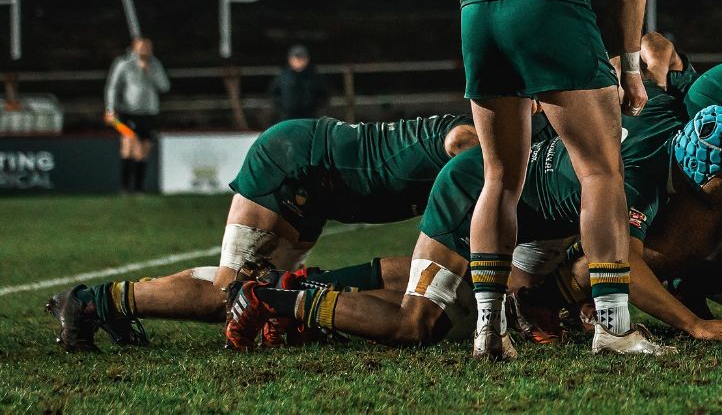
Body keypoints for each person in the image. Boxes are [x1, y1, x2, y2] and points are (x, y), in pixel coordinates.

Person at [224, 101, 722, 354]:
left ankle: (315, 283)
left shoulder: (671, 124)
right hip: (473, 193)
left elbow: (659, 49)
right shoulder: (636, 177)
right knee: (416, 325)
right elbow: (621, 264)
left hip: (525, 213)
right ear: (705, 171)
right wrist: (691, 324)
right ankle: (274, 298)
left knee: (516, 303)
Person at [458, 0, 676, 359]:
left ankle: (488, 329)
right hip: (547, 3)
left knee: (500, 177)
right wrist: (630, 69)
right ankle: (614, 327)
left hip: (479, 5)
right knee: (601, 172)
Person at [45, 114, 477, 352]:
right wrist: (499, 175)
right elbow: (460, 137)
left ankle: (311, 289)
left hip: (318, 179)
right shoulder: (487, 146)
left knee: (252, 290)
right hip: (296, 161)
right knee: (230, 297)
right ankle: (88, 303)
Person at [103, 37, 168, 194]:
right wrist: (110, 109)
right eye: (142, 47)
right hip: (128, 113)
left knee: (144, 150)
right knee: (128, 144)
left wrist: (149, 71)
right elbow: (112, 87)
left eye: (147, 47)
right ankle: (125, 187)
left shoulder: (155, 65)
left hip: (149, 113)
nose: (145, 50)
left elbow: (164, 86)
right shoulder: (124, 64)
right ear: (134, 48)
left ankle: (138, 187)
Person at [269, 45, 330, 121]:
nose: (298, 61)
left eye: (301, 58)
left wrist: (315, 108)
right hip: (288, 117)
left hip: (309, 116)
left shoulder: (315, 76)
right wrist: (282, 110)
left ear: (307, 59)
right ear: (290, 60)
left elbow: (324, 94)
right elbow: (274, 94)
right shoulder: (282, 76)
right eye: (296, 58)